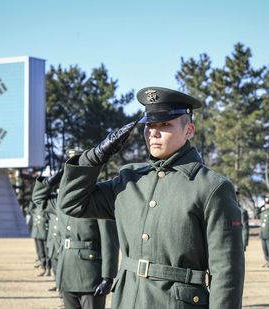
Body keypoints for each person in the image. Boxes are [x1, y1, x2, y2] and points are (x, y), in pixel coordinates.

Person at [57, 87, 244, 308]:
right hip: (127, 300)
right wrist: (96, 156)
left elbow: (226, 271)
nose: (153, 132)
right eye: (149, 125)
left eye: (165, 125)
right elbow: (72, 203)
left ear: (189, 130)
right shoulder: (129, 180)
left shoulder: (211, 187)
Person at [34, 170, 119, 309]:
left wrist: (108, 277)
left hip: (90, 274)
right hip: (66, 271)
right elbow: (38, 200)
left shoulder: (98, 200)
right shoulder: (60, 202)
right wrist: (48, 182)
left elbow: (109, 242)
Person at [29, 199, 52, 277]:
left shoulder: (47, 209)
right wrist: (32, 200)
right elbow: (30, 209)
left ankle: (48, 269)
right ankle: (43, 268)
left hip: (46, 234)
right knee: (41, 253)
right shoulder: (35, 210)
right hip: (38, 233)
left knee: (47, 254)